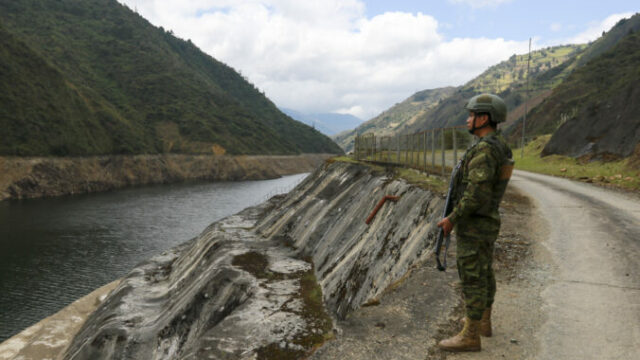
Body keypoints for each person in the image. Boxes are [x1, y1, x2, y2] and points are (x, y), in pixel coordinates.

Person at [436, 94, 514, 352]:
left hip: (475, 223)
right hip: (487, 221)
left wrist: (451, 219)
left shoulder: (484, 150)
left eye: (471, 115)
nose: (467, 119)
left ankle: (471, 335)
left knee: (472, 276)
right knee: (484, 271)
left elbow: (475, 194)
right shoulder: (499, 144)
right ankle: (483, 322)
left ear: (484, 118)